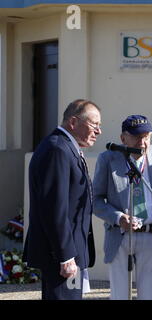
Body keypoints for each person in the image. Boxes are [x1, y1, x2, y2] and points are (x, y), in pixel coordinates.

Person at [93, 115, 152, 300]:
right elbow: (96, 200)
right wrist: (118, 217)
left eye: (147, 136)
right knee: (120, 295)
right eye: (137, 137)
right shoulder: (108, 158)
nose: (143, 142)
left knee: (150, 294)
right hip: (120, 234)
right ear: (123, 138)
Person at [23, 99, 101, 300]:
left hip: (70, 251)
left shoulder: (66, 147)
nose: (98, 131)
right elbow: (54, 209)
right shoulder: (57, 149)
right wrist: (65, 255)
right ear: (73, 122)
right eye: (94, 124)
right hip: (61, 256)